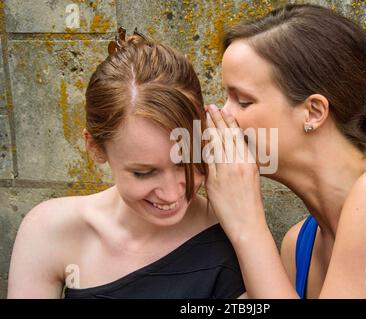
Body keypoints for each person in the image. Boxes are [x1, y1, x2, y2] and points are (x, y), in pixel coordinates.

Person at [204, 4, 366, 298]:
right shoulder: (297, 247)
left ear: (313, 112)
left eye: (242, 101)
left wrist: (247, 227)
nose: (222, 115)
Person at [7, 28, 246, 299]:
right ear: (95, 147)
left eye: (187, 160)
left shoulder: (234, 235)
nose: (172, 193)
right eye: (144, 173)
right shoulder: (50, 230)